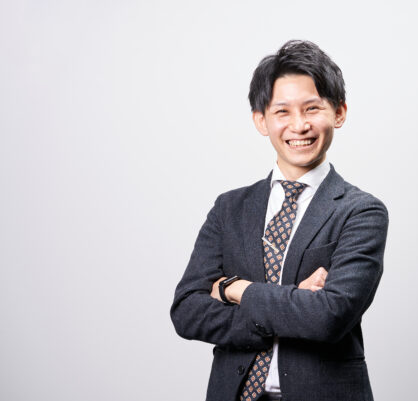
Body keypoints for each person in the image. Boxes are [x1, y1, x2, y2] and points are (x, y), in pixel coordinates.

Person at [170, 40, 389, 401]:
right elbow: (187, 311)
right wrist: (290, 307)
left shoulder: (361, 212)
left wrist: (234, 289)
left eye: (312, 108)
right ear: (261, 120)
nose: (299, 125)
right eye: (282, 112)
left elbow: (329, 317)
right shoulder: (229, 208)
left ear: (339, 112)